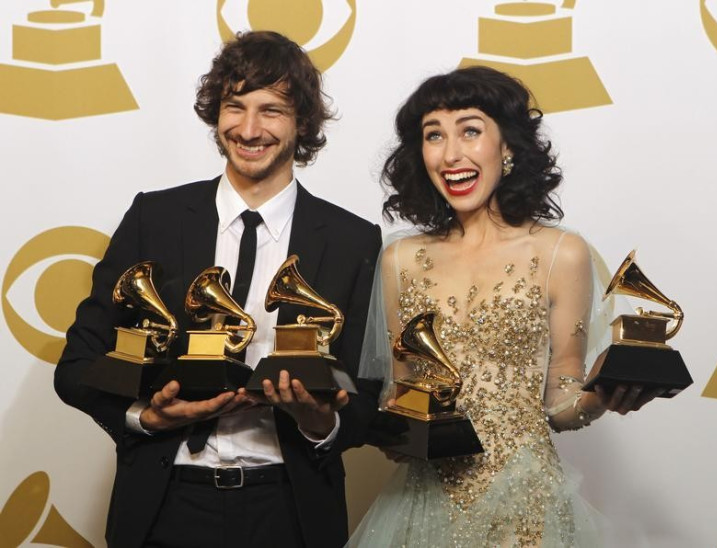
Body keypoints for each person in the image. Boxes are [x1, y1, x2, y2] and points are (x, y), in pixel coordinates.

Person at [54, 31, 381, 548]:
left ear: (302, 123)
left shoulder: (352, 240)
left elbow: (370, 396)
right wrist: (145, 416)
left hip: (291, 512)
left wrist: (322, 421)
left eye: (271, 109)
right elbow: (77, 366)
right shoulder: (153, 218)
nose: (249, 129)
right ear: (216, 113)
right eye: (235, 106)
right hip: (165, 503)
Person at [349, 66, 661, 546]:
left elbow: (560, 404)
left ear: (508, 147)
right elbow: (408, 394)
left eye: (471, 130)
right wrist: (396, 428)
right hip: (425, 506)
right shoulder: (400, 259)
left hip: (524, 507)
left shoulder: (560, 252)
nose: (451, 153)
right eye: (435, 135)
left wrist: (603, 398)